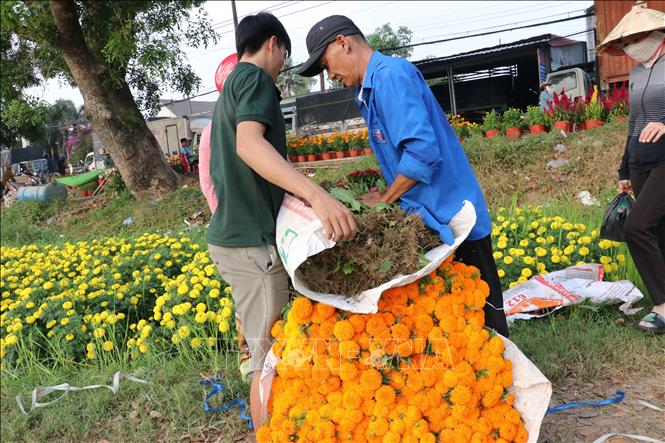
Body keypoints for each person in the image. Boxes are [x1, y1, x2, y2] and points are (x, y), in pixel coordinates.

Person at [298, 15, 509, 337]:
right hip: (432, 219)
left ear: (344, 43)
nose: (330, 75)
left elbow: (422, 153)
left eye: (327, 64)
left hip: (454, 217)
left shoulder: (390, 77)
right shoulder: (370, 89)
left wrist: (386, 198)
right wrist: (386, 193)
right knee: (456, 323)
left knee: (481, 318)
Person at [206, 12, 357, 431]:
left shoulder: (233, 85)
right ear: (274, 44)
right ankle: (267, 433)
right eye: (285, 55)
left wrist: (299, 189)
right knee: (265, 356)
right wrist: (316, 196)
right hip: (250, 246)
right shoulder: (255, 80)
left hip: (238, 239)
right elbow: (250, 146)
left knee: (267, 348)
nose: (282, 64)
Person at [598, 5, 665, 334]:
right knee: (658, 231)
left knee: (636, 227)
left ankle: (663, 305)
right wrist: (625, 168)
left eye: (637, 38)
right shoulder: (638, 72)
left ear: (657, 35)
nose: (632, 46)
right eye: (627, 41)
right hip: (640, 163)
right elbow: (634, 123)